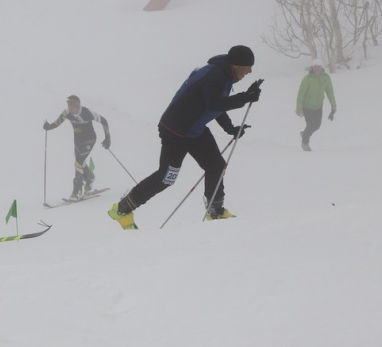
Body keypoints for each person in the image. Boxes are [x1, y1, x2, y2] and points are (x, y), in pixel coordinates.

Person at [107, 45, 262, 229]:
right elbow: (214, 104)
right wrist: (244, 98)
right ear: (236, 65)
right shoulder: (215, 75)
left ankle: (215, 211)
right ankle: (122, 210)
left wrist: (230, 128)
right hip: (176, 132)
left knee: (216, 165)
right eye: (248, 66)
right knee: (166, 178)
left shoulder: (223, 75)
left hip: (194, 130)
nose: (250, 71)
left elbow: (214, 106)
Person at [43, 95, 111, 200]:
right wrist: (49, 127)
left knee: (78, 162)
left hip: (89, 139)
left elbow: (104, 121)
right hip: (78, 141)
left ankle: (77, 190)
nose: (71, 110)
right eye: (70, 108)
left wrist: (107, 138)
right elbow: (57, 122)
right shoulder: (67, 113)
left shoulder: (87, 112)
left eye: (73, 108)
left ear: (78, 106)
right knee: (80, 162)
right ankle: (90, 177)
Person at [296, 59, 337, 152]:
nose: (316, 68)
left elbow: (330, 92)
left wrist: (333, 106)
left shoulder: (326, 78)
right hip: (307, 106)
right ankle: (305, 144)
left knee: (317, 126)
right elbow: (301, 94)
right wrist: (298, 108)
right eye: (314, 67)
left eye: (318, 66)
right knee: (310, 125)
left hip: (318, 106)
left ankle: (305, 134)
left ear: (321, 67)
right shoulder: (307, 79)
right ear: (312, 68)